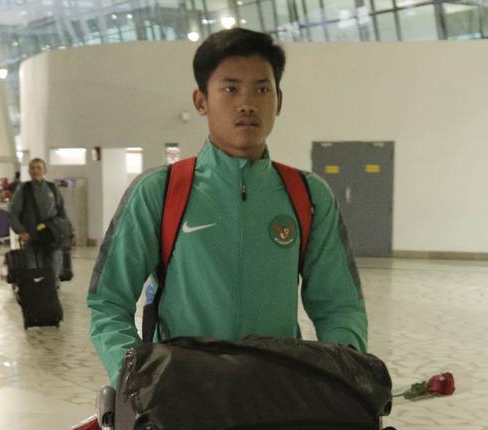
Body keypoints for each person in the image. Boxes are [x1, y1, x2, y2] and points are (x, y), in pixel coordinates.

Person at [87, 28, 367, 383]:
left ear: (279, 101)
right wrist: (137, 379)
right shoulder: (160, 192)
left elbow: (340, 305)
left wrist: (344, 378)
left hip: (274, 396)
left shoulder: (308, 196)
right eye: (230, 89)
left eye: (261, 89)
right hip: (182, 395)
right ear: (201, 101)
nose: (247, 103)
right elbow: (108, 302)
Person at [9, 158, 69, 282]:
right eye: (32, 168)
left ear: (44, 170)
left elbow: (61, 211)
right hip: (32, 236)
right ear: (29, 171)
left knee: (54, 269)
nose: (35, 171)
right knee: (33, 271)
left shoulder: (52, 188)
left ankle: (52, 289)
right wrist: (20, 231)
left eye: (38, 168)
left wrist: (67, 230)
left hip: (52, 236)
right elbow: (13, 212)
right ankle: (36, 290)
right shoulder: (23, 189)